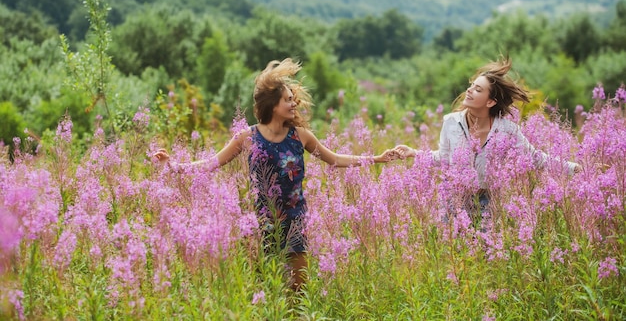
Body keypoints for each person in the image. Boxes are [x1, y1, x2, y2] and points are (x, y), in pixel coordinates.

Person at [153, 58, 397, 291]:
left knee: (299, 288)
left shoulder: (300, 136)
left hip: (295, 220)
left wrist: (376, 159)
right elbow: (211, 163)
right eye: (287, 100)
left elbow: (335, 159)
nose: (293, 104)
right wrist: (174, 166)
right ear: (272, 104)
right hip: (261, 223)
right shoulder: (248, 137)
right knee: (265, 289)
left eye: (293, 99)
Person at [394, 56, 581, 224]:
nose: (469, 91)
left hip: (487, 203)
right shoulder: (451, 122)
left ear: (490, 101)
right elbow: (444, 157)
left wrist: (575, 168)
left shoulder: (507, 130)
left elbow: (536, 158)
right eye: (471, 86)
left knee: (483, 255)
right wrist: (414, 153)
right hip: (453, 201)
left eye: (477, 89)